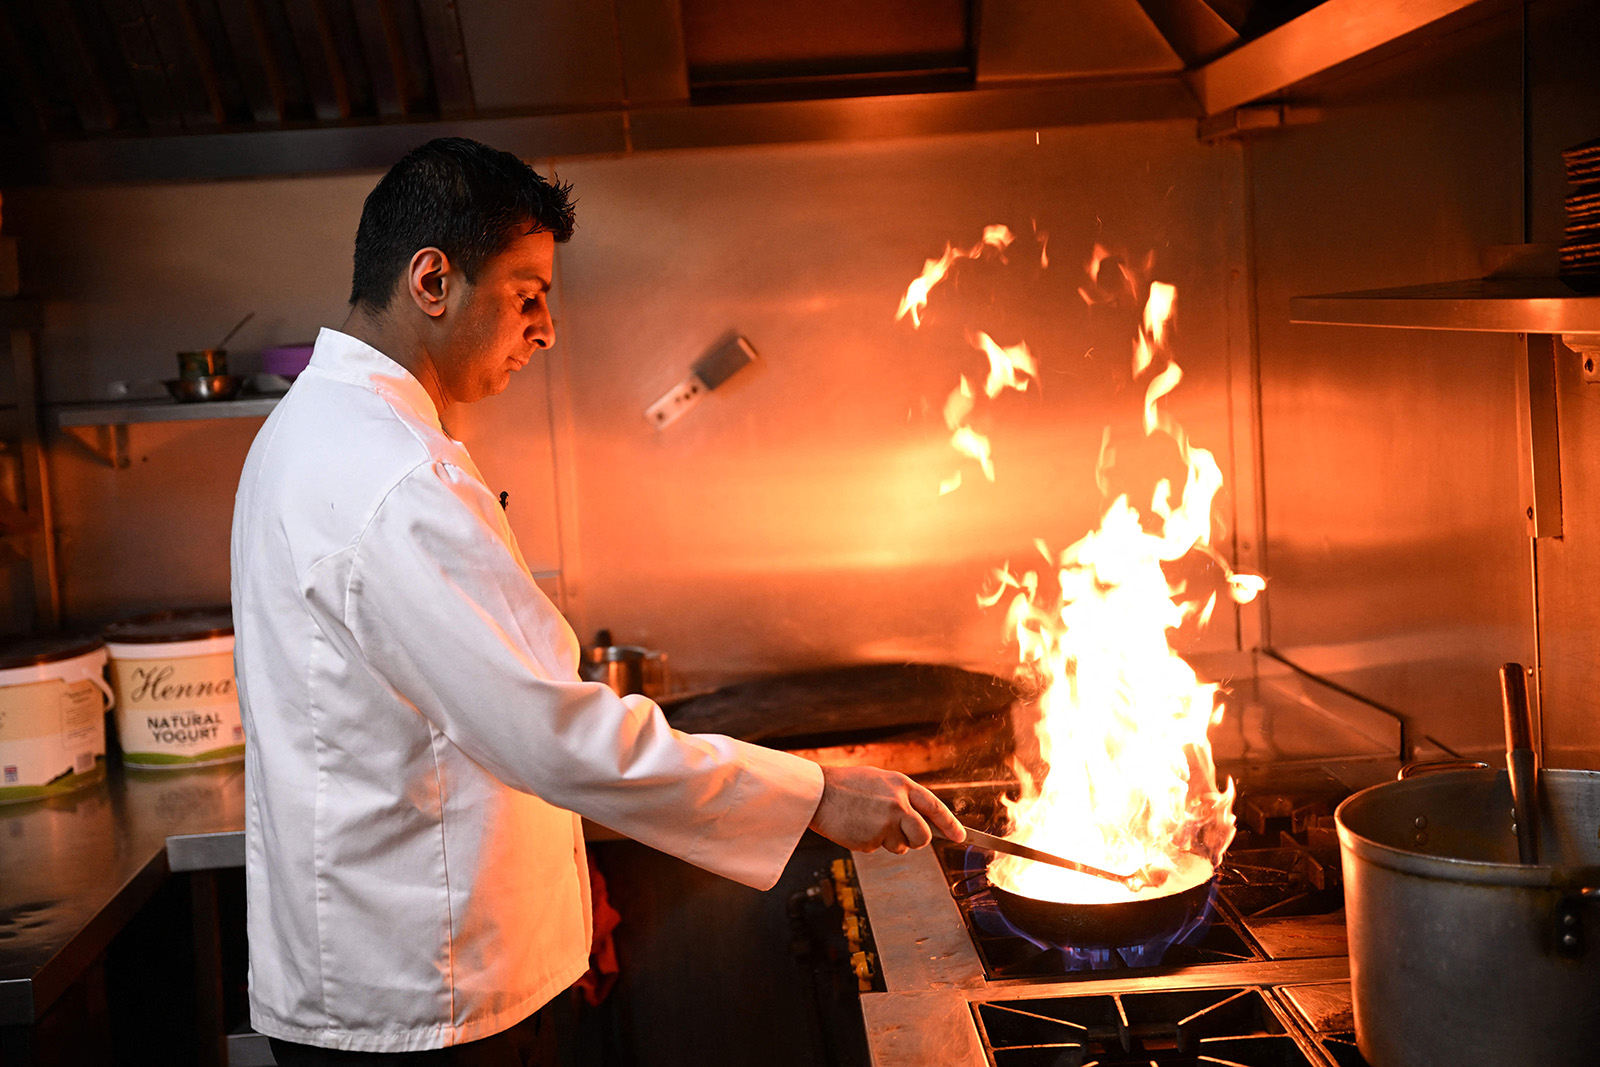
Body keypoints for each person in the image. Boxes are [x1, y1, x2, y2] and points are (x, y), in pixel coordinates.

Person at [230, 137, 964, 1065]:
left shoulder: (310, 430)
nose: (544, 329)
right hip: (430, 1005)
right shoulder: (395, 478)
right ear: (432, 281)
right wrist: (814, 794)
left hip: (392, 972)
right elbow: (554, 734)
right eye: (528, 294)